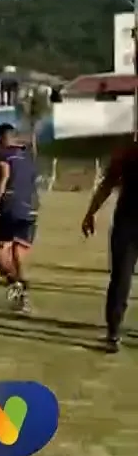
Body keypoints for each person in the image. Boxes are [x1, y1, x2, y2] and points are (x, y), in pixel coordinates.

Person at [81, 137, 138, 353]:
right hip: (127, 225)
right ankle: (113, 331)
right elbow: (107, 184)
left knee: (120, 278)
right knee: (120, 279)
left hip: (127, 224)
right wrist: (91, 212)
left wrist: (91, 213)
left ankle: (113, 332)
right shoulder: (127, 153)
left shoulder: (126, 152)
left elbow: (108, 184)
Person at [0, 124, 38, 314]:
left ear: (1, 138)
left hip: (11, 207)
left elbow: (4, 176)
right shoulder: (28, 156)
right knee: (18, 252)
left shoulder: (2, 154)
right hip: (31, 209)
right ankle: (23, 293)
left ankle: (16, 283)